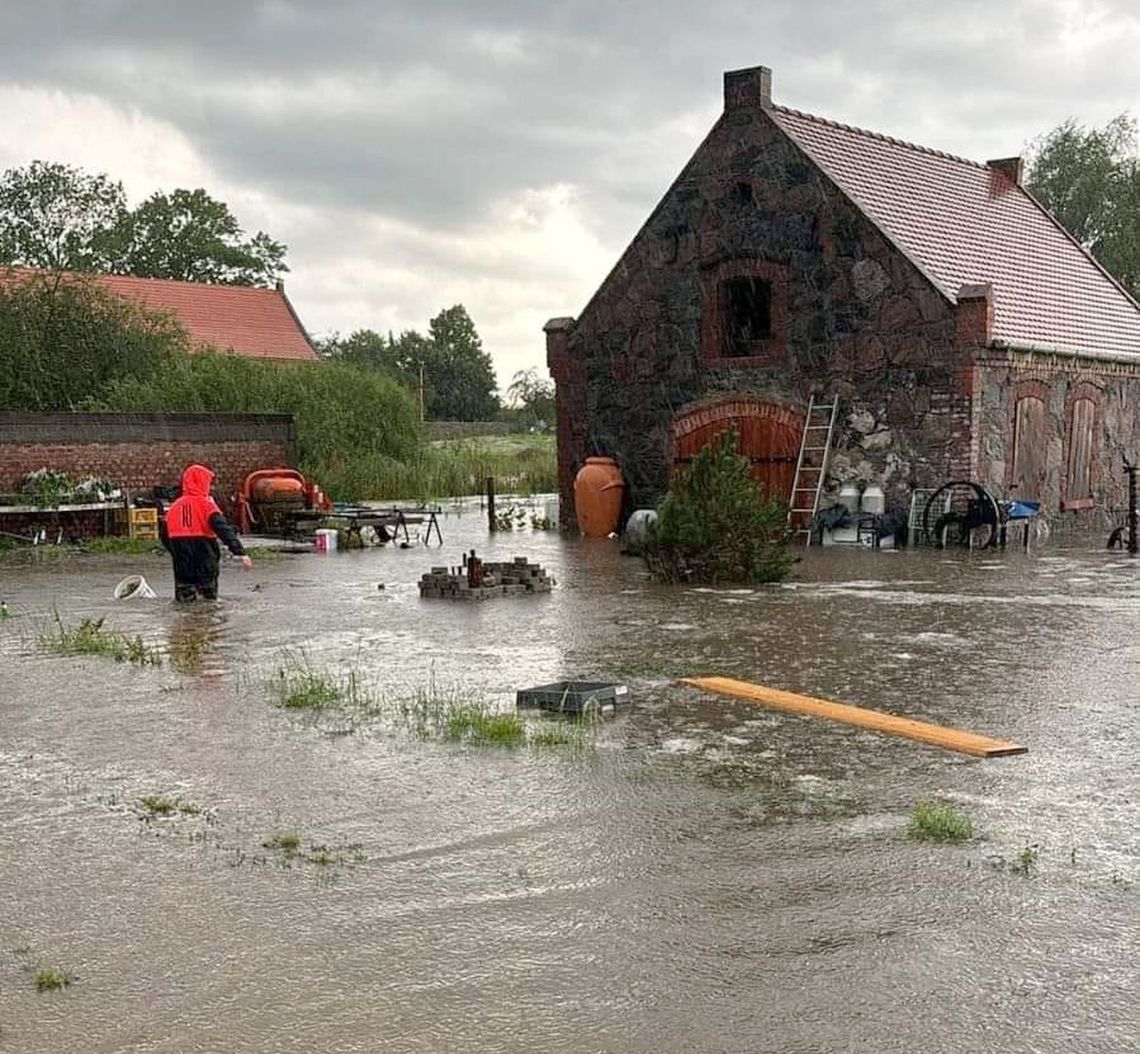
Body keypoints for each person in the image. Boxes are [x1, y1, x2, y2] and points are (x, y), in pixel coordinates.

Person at [160, 463, 252, 601]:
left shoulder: (174, 507)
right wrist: (240, 552)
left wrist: (175, 551)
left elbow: (163, 534)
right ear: (203, 482)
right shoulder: (207, 506)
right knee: (208, 602)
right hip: (205, 559)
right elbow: (224, 530)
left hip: (182, 563)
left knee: (184, 600)